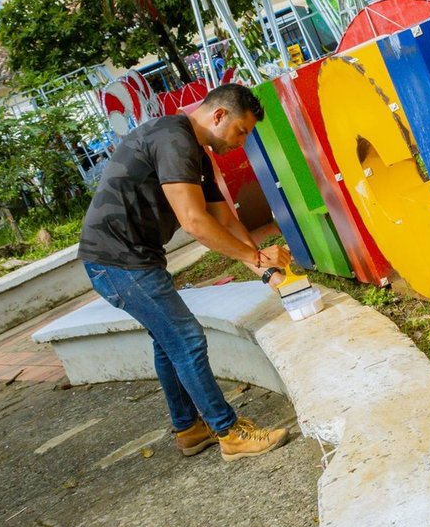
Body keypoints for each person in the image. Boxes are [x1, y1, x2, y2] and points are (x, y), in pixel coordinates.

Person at [79, 82, 293, 462]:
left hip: (133, 259)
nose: (241, 143)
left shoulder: (192, 149)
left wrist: (264, 269)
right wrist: (259, 260)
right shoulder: (174, 139)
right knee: (187, 338)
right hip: (117, 262)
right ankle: (228, 431)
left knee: (169, 342)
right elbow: (195, 222)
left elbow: (222, 217)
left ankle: (189, 429)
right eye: (241, 131)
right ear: (219, 115)